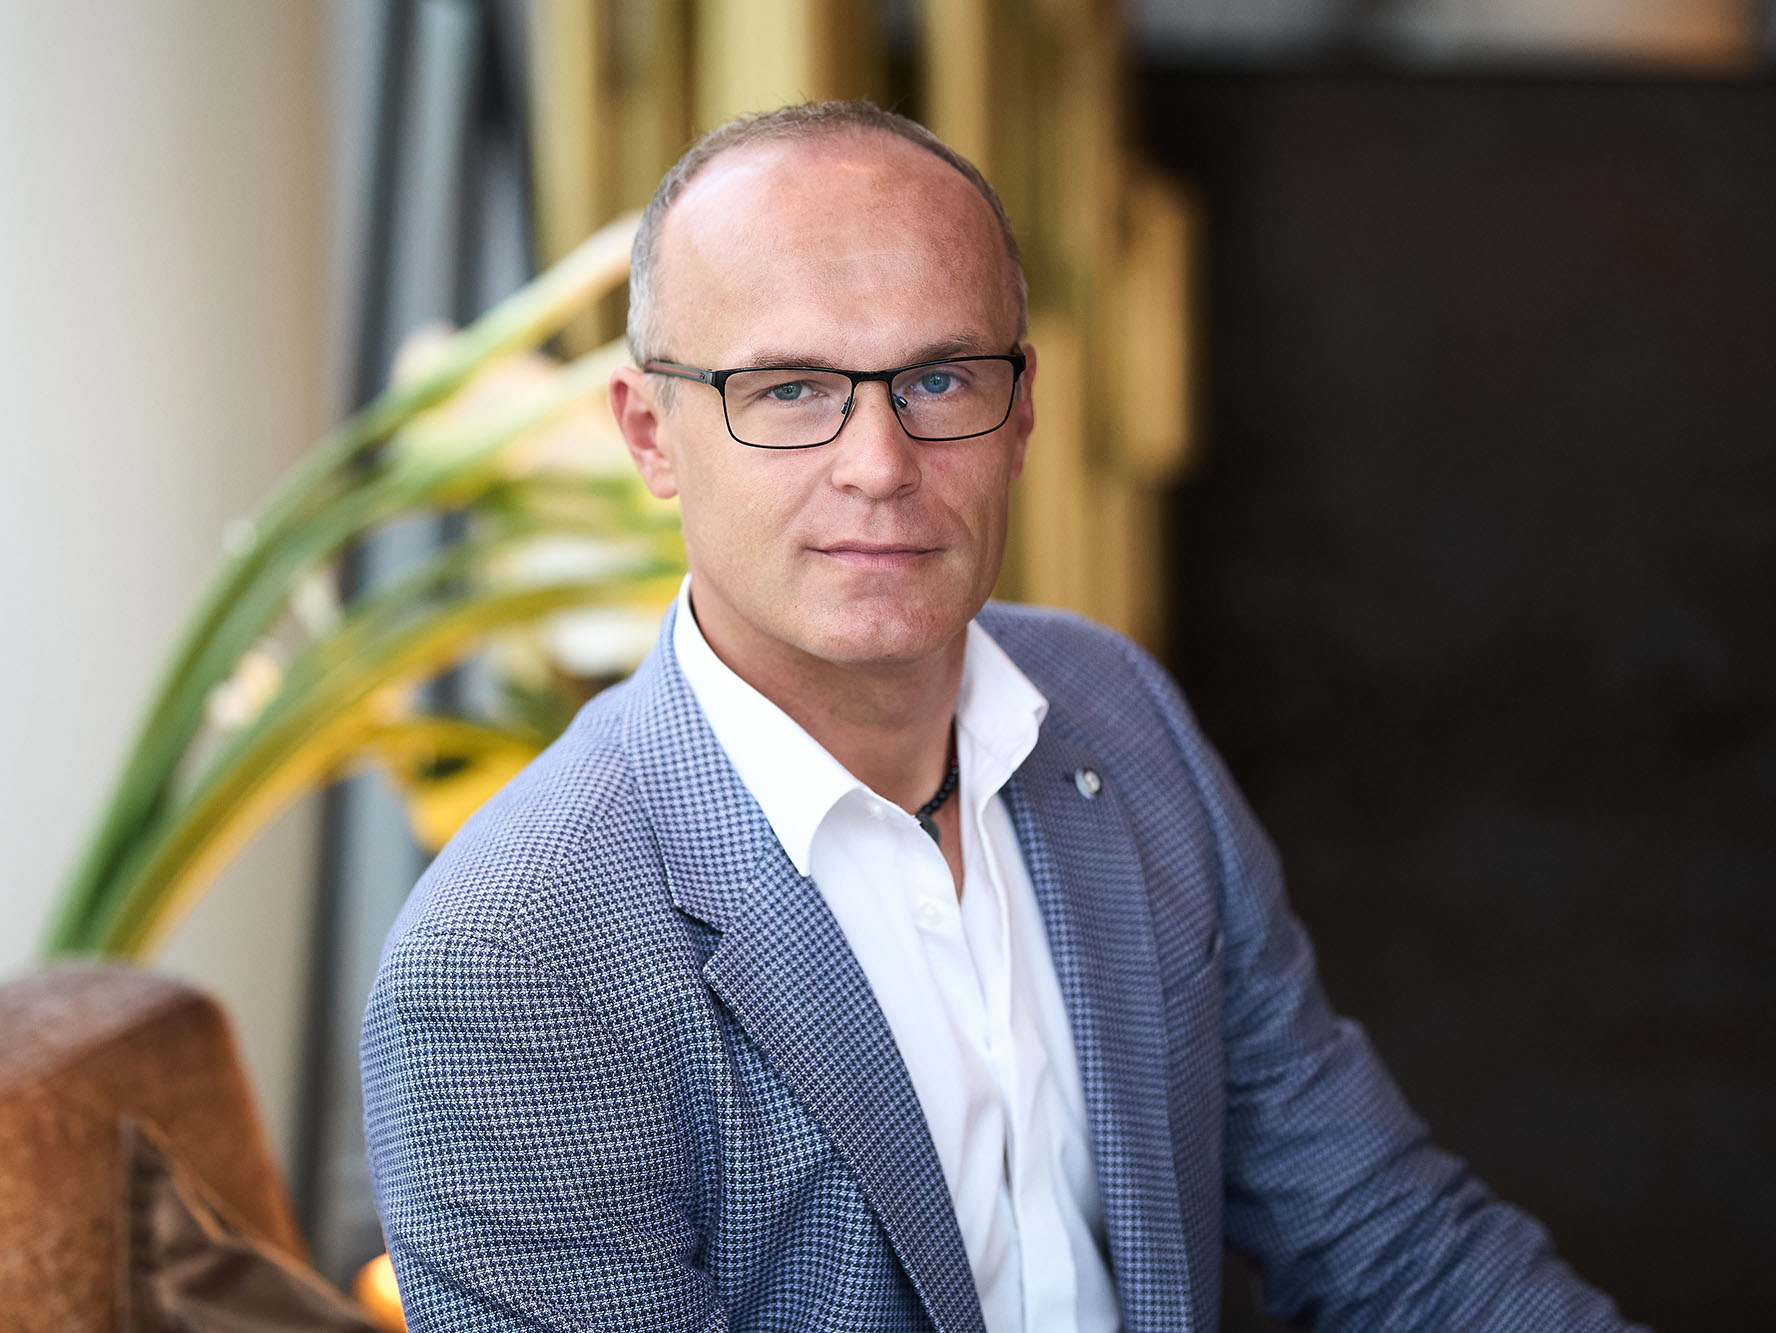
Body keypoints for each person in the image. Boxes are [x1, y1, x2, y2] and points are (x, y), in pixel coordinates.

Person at [361, 100, 1641, 1333]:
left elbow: (1383, 1237)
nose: (878, 463)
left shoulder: (1114, 712)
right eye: (790, 389)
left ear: (1020, 412)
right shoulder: (511, 959)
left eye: (938, 377)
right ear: (651, 434)